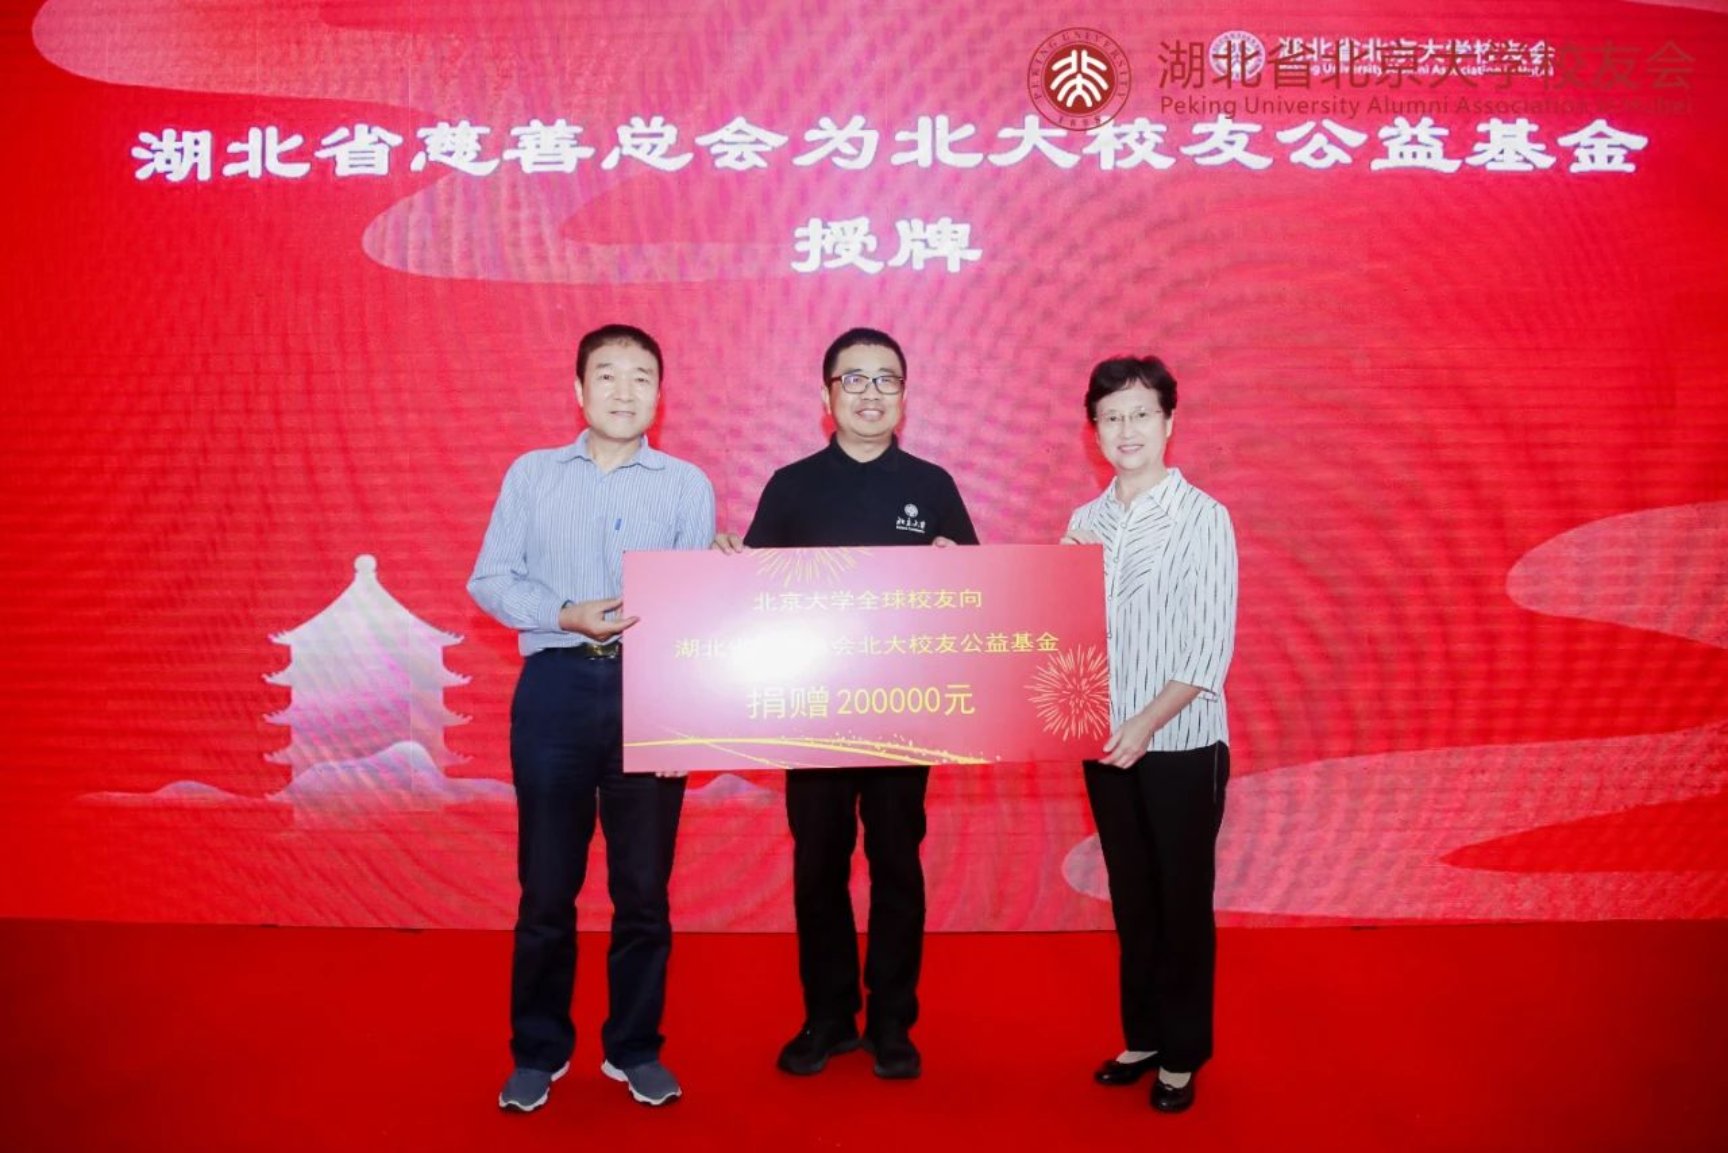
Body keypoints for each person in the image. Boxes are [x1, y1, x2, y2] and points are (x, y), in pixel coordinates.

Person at [714, 327, 978, 1080]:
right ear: (826, 395)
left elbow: (975, 600)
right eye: (852, 379)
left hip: (905, 714)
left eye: (885, 379)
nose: (870, 393)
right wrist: (728, 571)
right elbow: (751, 601)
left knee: (897, 866)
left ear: (905, 394)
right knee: (818, 868)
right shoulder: (792, 485)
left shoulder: (932, 485)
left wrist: (962, 570)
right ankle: (827, 1019)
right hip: (812, 715)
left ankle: (893, 1023)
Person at [469, 323, 715, 1113]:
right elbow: (490, 577)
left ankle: (634, 1047)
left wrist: (683, 718)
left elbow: (694, 611)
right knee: (547, 886)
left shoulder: (686, 485)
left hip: (650, 690)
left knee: (643, 890)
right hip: (555, 689)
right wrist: (564, 612)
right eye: (606, 374)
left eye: (641, 376)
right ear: (578, 390)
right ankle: (537, 1050)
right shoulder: (532, 475)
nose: (623, 390)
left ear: (659, 395)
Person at [1060, 355, 1237, 1113]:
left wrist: (1143, 722)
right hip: (1106, 746)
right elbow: (1061, 632)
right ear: (1094, 429)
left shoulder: (1204, 517)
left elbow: (1207, 650)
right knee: (1132, 896)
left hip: (1181, 744)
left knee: (1181, 899)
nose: (1126, 429)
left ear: (1169, 422)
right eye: (1111, 417)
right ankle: (1143, 1036)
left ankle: (1183, 1054)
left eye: (1140, 414)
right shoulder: (1085, 522)